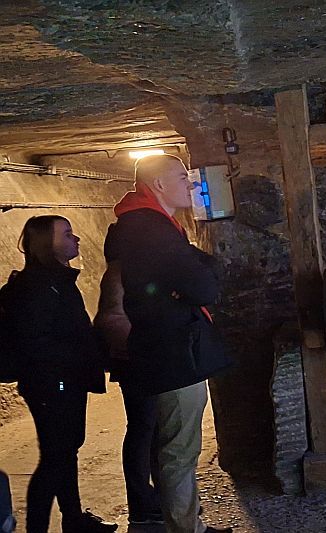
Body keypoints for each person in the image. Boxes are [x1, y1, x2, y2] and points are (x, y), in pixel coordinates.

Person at [103, 154, 232, 533]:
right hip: (173, 353)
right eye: (181, 177)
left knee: (173, 442)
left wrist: (189, 283)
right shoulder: (151, 229)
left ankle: (188, 522)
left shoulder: (146, 226)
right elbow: (205, 287)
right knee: (179, 448)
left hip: (166, 348)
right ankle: (185, 528)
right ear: (158, 184)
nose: (190, 185)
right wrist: (190, 286)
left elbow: (202, 272)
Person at [0, 215, 117, 533]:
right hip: (53, 384)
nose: (75, 238)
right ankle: (37, 527)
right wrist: (74, 362)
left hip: (63, 380)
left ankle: (73, 518)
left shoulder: (55, 281)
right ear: (46, 244)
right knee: (55, 457)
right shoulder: (36, 288)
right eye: (66, 234)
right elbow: (37, 343)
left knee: (65, 451)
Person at [95, 257, 162, 526]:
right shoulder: (122, 270)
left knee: (153, 429)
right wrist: (137, 348)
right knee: (143, 428)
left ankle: (159, 497)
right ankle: (142, 503)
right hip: (136, 361)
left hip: (145, 359)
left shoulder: (133, 267)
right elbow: (110, 317)